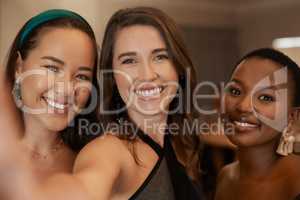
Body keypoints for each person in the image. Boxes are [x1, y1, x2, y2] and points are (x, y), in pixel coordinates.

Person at [0, 7, 204, 200]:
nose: (66, 89)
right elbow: (85, 188)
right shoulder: (107, 151)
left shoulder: (181, 141)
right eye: (52, 68)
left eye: (160, 56)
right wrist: (16, 178)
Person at [0, 9, 99, 182]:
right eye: (52, 68)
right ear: (19, 67)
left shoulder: (94, 161)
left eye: (82, 76)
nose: (67, 89)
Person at [215, 48, 300, 200]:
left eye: (266, 98)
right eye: (235, 91)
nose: (243, 106)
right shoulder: (225, 177)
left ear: (292, 117)